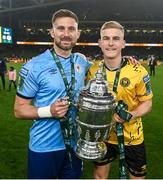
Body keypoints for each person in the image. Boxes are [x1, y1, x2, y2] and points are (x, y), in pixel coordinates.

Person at [14, 9, 92, 179]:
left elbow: (105, 67)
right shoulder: (33, 67)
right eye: (61, 28)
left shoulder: (81, 61)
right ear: (52, 32)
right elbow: (19, 110)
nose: (66, 34)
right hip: (44, 146)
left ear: (78, 34)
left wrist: (125, 59)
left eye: (71, 29)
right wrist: (49, 111)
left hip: (75, 144)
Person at [86, 21, 153, 179]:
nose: (110, 43)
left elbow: (148, 102)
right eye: (106, 38)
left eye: (116, 38)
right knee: (100, 176)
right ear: (100, 43)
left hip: (132, 137)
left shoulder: (138, 70)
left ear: (123, 43)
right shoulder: (92, 70)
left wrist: (131, 114)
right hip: (103, 135)